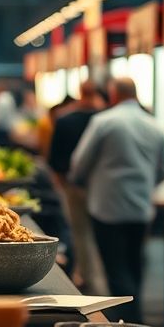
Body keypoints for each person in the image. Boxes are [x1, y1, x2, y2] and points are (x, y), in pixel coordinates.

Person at [68, 78, 164, 322]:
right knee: (136, 264)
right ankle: (135, 315)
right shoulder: (154, 125)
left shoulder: (104, 122)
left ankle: (129, 321)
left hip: (107, 205)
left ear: (113, 95)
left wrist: (80, 182)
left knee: (115, 267)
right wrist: (146, 184)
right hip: (141, 207)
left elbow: (79, 163)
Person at [49, 82, 107, 293]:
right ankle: (103, 284)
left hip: (73, 186)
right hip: (103, 187)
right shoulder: (106, 120)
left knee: (81, 235)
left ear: (80, 93)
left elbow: (55, 160)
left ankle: (93, 285)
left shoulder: (65, 120)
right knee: (102, 235)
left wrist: (62, 182)